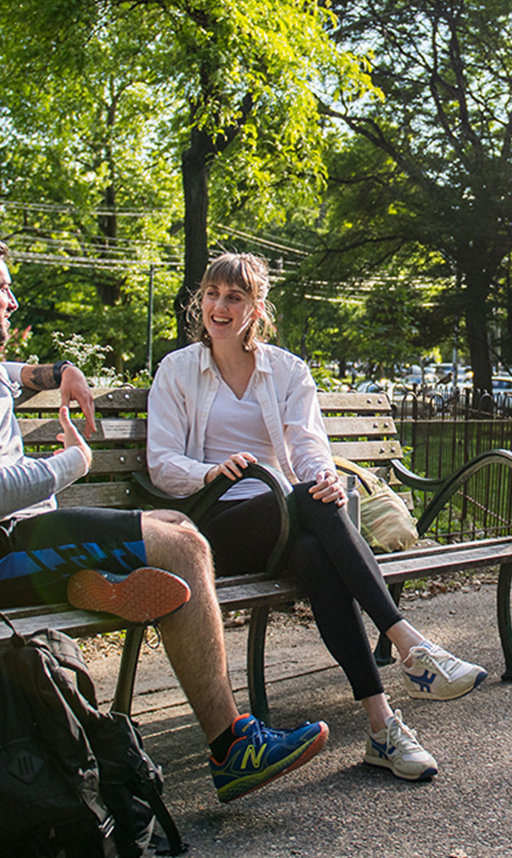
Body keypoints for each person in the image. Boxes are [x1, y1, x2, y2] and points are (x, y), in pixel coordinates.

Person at [0, 235, 328, 805]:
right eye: (2, 287)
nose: (11, 300)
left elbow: (9, 374)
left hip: (14, 540)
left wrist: (60, 370)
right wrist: (71, 463)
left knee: (176, 527)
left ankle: (89, 585)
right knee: (186, 549)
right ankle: (233, 750)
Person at [147, 253, 487, 784]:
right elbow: (163, 465)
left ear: (255, 308)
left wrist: (324, 477)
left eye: (234, 297)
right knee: (301, 501)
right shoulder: (178, 370)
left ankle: (383, 726)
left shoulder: (286, 370)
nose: (219, 306)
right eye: (212, 294)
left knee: (315, 542)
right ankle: (410, 646)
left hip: (286, 523)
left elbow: (307, 448)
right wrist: (214, 471)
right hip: (217, 528)